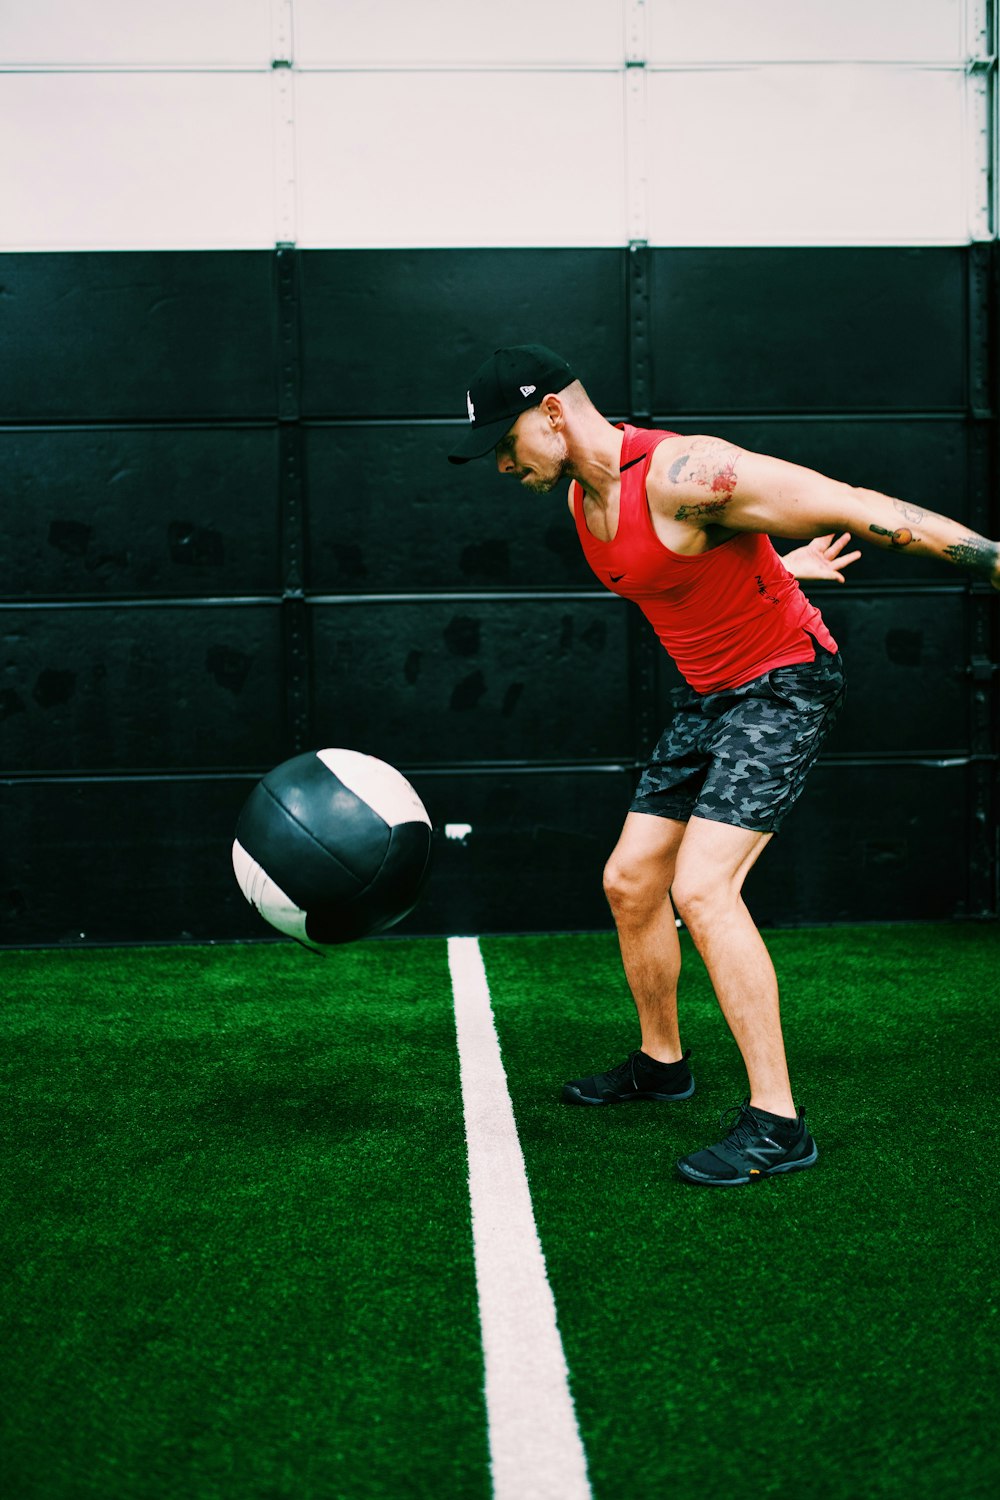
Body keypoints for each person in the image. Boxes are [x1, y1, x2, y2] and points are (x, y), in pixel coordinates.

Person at [448, 344, 1000, 1188]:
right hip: (710, 697)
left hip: (783, 685)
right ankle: (662, 1062)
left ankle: (778, 1122)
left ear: (553, 413)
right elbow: (695, 570)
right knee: (632, 881)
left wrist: (990, 560)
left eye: (504, 438)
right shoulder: (579, 500)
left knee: (701, 887)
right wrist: (784, 567)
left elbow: (856, 505)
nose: (499, 462)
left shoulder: (682, 473)